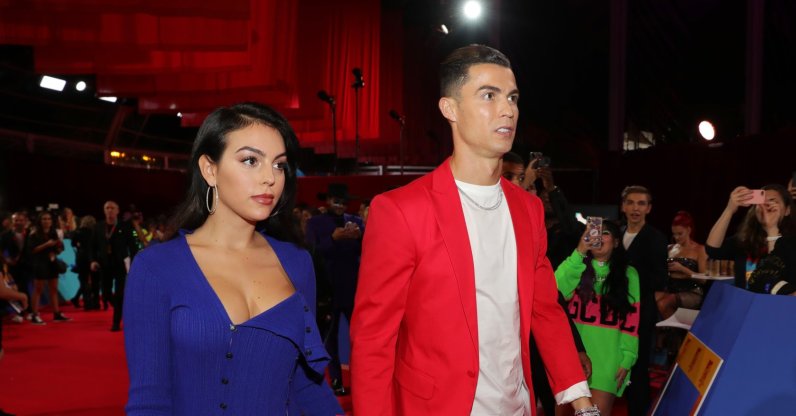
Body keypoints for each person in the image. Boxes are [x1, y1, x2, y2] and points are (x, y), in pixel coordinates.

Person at [351, 45, 596, 415]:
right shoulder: (400, 210)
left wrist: (582, 400)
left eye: (512, 97)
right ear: (450, 109)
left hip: (518, 406)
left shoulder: (528, 209)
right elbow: (374, 339)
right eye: (489, 95)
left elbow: (544, 311)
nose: (508, 109)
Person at [123, 102, 342, 415]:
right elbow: (149, 402)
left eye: (279, 165)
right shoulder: (156, 268)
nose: (270, 177)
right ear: (209, 169)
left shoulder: (298, 262)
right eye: (251, 160)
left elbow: (307, 384)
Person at [555, 220, 640, 416]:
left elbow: (632, 321)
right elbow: (554, 288)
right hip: (571, 356)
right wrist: (579, 251)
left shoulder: (629, 274)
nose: (598, 237)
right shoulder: (576, 266)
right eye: (593, 233)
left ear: (617, 242)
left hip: (608, 359)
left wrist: (627, 358)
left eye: (606, 233)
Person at [305, 183, 363, 396]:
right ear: (327, 200)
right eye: (336, 201)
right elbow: (311, 252)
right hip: (328, 291)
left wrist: (361, 237)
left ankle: (362, 379)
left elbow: (370, 251)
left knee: (360, 338)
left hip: (354, 289)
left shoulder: (356, 222)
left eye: (344, 202)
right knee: (330, 339)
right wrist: (333, 239)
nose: (340, 206)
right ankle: (336, 380)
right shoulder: (315, 223)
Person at [618, 185, 667, 416]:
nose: (635, 208)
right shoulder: (615, 233)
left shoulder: (655, 238)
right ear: (623, 206)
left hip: (641, 311)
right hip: (613, 310)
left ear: (648, 208)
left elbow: (659, 278)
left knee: (637, 367)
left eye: (641, 204)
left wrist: (627, 278)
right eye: (631, 203)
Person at [706, 184, 796, 295]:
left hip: (780, 307)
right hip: (746, 306)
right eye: (761, 202)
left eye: (773, 201)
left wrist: (772, 228)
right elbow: (712, 250)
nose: (766, 205)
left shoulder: (791, 243)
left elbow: (770, 273)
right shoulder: (746, 241)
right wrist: (730, 209)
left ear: (787, 210)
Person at [90, 201, 139, 331]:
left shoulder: (125, 226)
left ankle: (116, 322)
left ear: (117, 211)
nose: (110, 210)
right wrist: (93, 260)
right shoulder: (98, 227)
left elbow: (133, 246)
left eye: (112, 208)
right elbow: (93, 246)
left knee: (119, 294)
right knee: (105, 294)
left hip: (119, 265)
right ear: (104, 210)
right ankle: (120, 307)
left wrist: (134, 263)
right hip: (104, 264)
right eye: (107, 208)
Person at [656, 211, 707, 319]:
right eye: (674, 234)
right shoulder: (670, 248)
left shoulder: (699, 249)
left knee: (663, 303)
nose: (676, 237)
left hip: (691, 292)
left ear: (689, 230)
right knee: (651, 299)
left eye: (680, 234)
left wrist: (682, 269)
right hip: (670, 289)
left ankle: (674, 333)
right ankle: (669, 332)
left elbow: (703, 279)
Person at [26, 211, 70, 324]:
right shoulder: (34, 233)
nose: (46, 221)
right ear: (40, 221)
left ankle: (56, 314)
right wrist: (46, 245)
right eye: (44, 219)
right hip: (39, 263)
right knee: (38, 290)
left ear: (51, 221)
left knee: (54, 289)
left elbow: (60, 248)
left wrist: (57, 250)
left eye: (48, 219)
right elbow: (31, 250)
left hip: (52, 263)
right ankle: (35, 315)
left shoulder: (54, 232)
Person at [71, 215, 97, 309]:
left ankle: (78, 299)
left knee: (83, 280)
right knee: (91, 281)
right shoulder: (93, 232)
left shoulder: (77, 232)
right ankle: (87, 302)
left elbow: (73, 244)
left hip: (80, 257)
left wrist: (79, 246)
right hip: (91, 258)